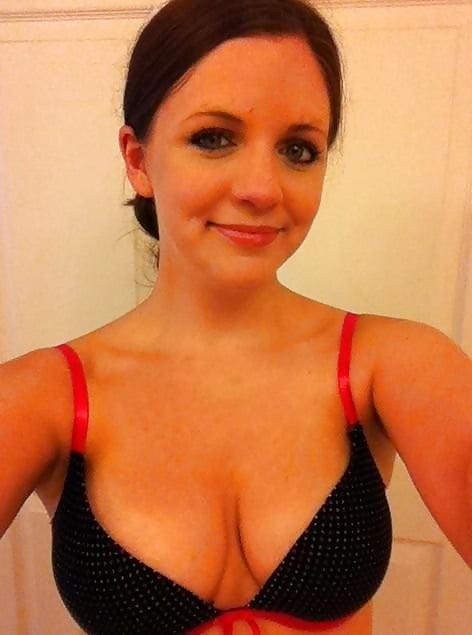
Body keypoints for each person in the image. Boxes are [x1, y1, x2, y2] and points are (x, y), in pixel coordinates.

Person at [1, 0, 471, 634]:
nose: (262, 188)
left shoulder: (391, 365)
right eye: (214, 138)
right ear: (138, 160)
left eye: (298, 150)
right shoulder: (43, 397)